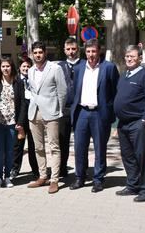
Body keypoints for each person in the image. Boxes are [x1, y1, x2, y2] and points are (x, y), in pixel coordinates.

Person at [70, 38, 120, 192]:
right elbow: (74, 91)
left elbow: (115, 93)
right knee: (79, 148)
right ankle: (80, 177)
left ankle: (98, 179)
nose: (91, 54)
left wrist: (115, 121)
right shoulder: (78, 68)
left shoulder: (109, 67)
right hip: (82, 113)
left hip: (100, 114)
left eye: (94, 51)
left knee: (100, 148)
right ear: (85, 52)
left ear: (99, 52)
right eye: (88, 51)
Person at [114, 45, 145, 202]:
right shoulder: (124, 75)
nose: (129, 59)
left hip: (137, 123)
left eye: (132, 56)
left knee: (142, 157)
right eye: (127, 56)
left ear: (140, 58)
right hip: (123, 124)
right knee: (128, 156)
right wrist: (116, 124)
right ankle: (132, 185)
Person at [26, 41, 67, 194]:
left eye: (40, 52)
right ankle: (43, 176)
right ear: (32, 54)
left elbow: (62, 91)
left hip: (51, 112)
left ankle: (55, 179)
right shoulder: (30, 71)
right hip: (34, 112)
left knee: (54, 147)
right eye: (35, 52)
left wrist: (59, 110)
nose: (38, 55)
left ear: (45, 53)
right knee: (38, 147)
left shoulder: (55, 68)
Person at [0, 58, 27, 188]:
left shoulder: (18, 82)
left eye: (8, 66)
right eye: (3, 66)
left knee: (10, 151)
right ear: (0, 68)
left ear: (12, 67)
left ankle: (8, 177)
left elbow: (22, 104)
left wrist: (20, 122)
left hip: (12, 123)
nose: (5, 69)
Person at [57, 37, 81, 177]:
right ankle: (62, 168)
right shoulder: (58, 66)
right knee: (62, 140)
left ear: (77, 49)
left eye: (73, 49)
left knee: (80, 141)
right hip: (63, 108)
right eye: (68, 49)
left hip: (79, 108)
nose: (71, 52)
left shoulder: (84, 65)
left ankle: (81, 169)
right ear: (64, 50)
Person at [11, 58, 39, 180]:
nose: (26, 69)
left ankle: (35, 170)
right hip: (20, 117)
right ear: (19, 68)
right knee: (18, 145)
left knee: (34, 145)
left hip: (33, 115)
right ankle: (14, 169)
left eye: (28, 66)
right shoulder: (15, 81)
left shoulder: (35, 79)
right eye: (24, 66)